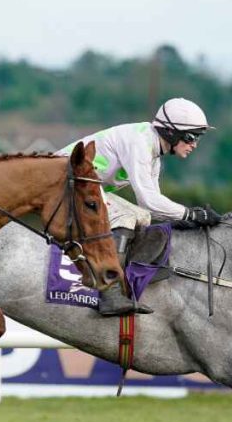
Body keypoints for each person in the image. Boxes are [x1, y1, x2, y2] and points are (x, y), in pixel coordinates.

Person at [58, 97, 219, 315]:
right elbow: (149, 198)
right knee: (123, 216)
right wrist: (190, 214)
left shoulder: (154, 154)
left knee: (141, 216)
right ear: (171, 133)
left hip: (80, 185)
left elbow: (149, 206)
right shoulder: (140, 142)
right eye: (191, 137)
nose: (194, 145)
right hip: (61, 180)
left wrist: (182, 218)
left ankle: (127, 281)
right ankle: (110, 293)